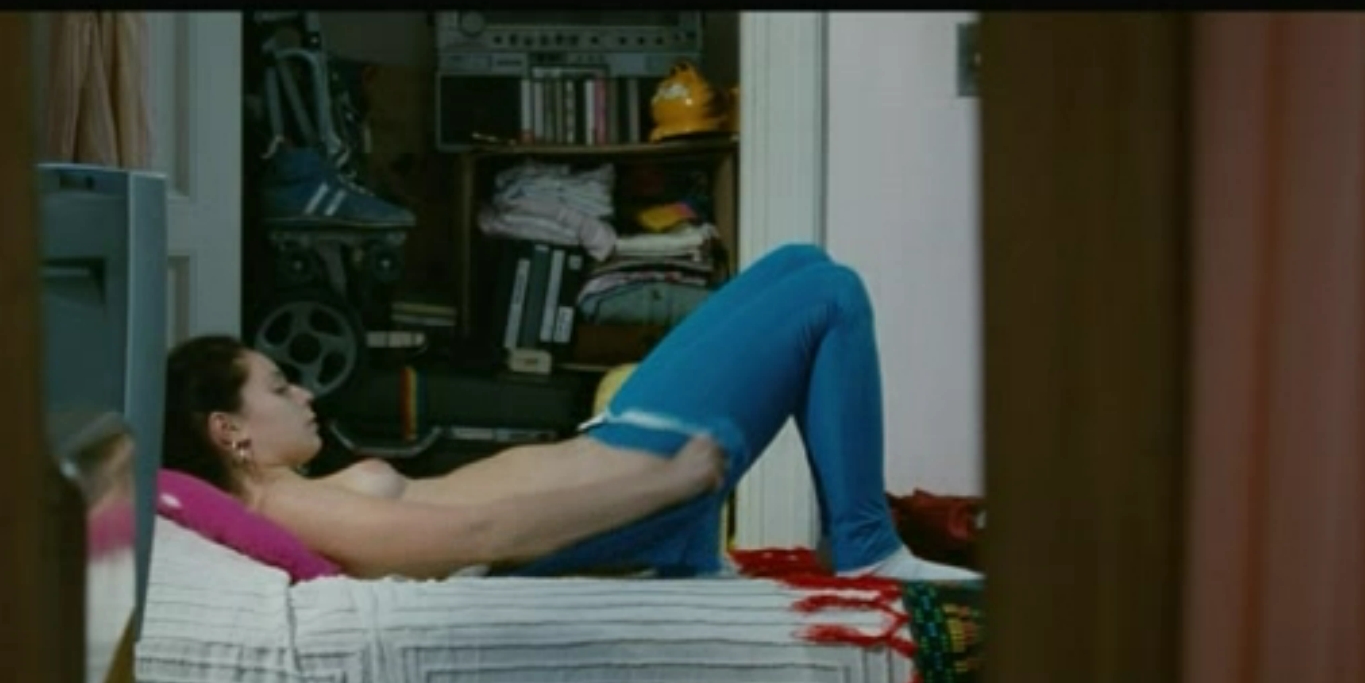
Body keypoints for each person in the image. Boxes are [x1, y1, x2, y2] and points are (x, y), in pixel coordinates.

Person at [163, 243, 982, 585]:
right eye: (279, 388)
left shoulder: (299, 497)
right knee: (830, 295)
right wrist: (667, 484)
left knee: (800, 263)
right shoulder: (289, 507)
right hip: (642, 466)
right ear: (229, 432)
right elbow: (481, 536)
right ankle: (865, 548)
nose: (306, 395)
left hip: (619, 443)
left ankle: (850, 537)